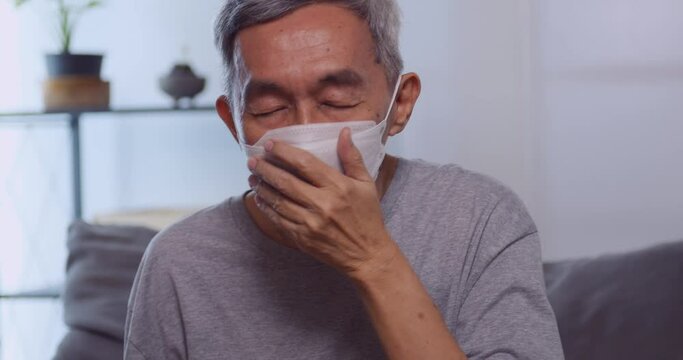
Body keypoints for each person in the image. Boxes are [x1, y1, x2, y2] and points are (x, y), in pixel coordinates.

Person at [124, 1, 564, 359]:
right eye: (269, 108)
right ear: (233, 122)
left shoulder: (479, 222)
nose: (303, 131)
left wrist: (372, 260)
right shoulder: (178, 262)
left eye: (336, 100)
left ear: (401, 104)